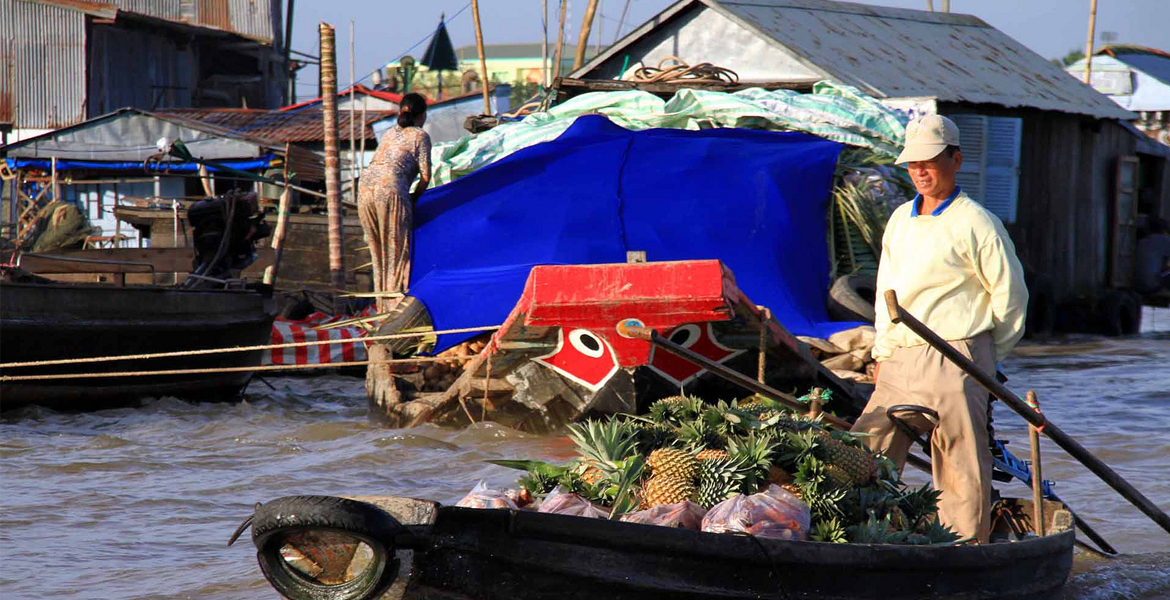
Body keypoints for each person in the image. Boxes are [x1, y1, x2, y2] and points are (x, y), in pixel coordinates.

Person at [850, 114, 1029, 544]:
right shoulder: (899, 220)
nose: (920, 172)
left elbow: (1011, 299)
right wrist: (883, 352)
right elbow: (884, 292)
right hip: (902, 355)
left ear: (956, 160)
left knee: (960, 461)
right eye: (913, 165)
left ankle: (964, 547)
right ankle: (862, 535)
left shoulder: (977, 221)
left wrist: (985, 357)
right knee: (866, 448)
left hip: (959, 353)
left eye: (930, 161)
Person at [358, 92, 432, 311]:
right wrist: (413, 200)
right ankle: (393, 309)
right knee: (396, 253)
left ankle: (381, 307)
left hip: (364, 188)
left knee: (377, 253)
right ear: (422, 115)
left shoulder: (389, 133)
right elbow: (425, 177)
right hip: (389, 189)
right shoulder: (420, 136)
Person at [1135, 217, 1170, 295]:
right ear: (1164, 230)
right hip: (1151, 285)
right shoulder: (1165, 240)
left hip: (1134, 284)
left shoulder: (1142, 241)